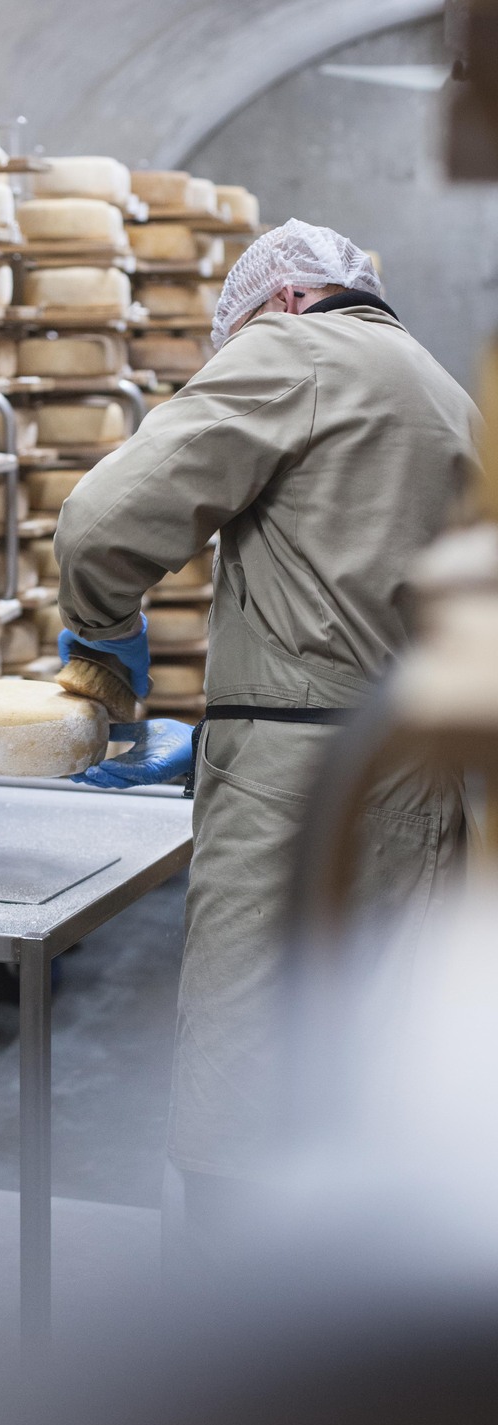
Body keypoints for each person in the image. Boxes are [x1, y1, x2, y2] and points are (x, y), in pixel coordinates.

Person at [53, 219, 480, 1229]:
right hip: (418, 767)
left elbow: (102, 523)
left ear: (283, 302)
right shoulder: (441, 386)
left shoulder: (296, 351)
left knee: (245, 1057)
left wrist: (104, 630)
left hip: (297, 776)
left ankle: (231, 1307)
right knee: (373, 1044)